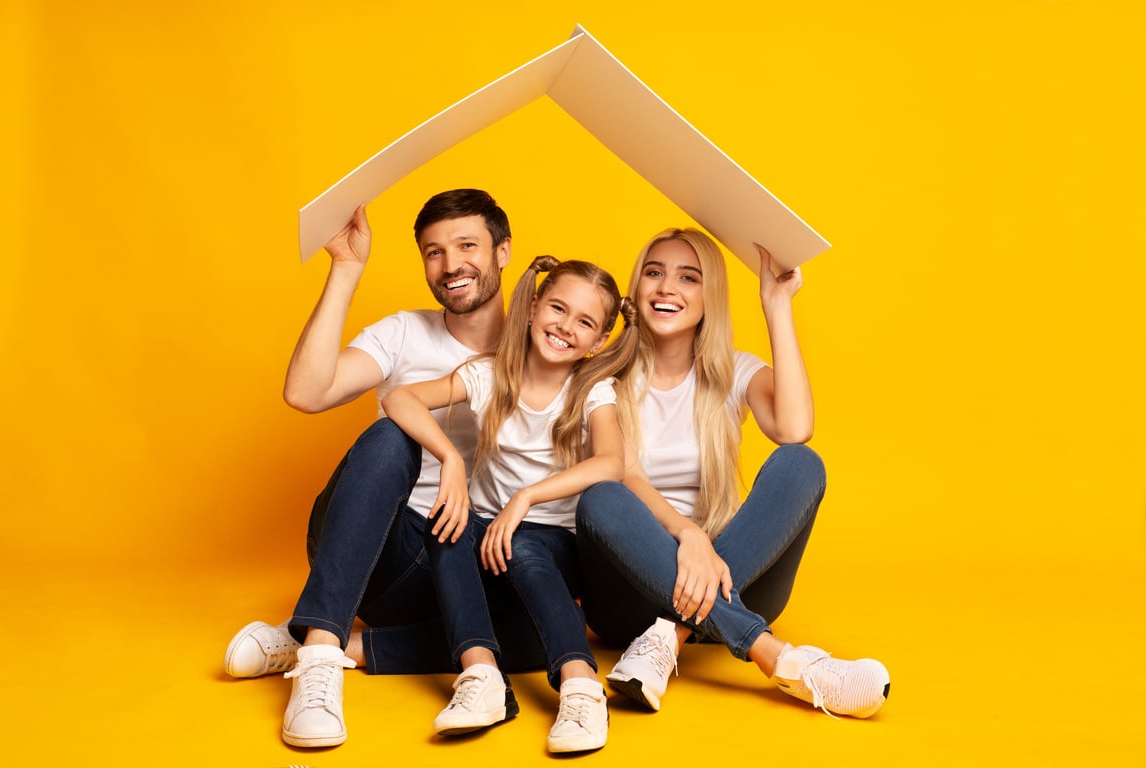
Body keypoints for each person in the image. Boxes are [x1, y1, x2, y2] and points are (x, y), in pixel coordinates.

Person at [224, 189, 547, 748]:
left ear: (503, 251)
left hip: (460, 568)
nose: (451, 265)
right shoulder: (403, 333)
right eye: (433, 252)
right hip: (375, 547)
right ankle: (321, 658)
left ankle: (327, 641)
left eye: (467, 245)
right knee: (393, 435)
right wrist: (347, 268)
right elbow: (305, 391)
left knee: (545, 635)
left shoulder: (549, 344)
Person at [575, 228, 891, 719]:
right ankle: (783, 661)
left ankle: (666, 637)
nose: (666, 288)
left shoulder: (733, 372)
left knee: (800, 463)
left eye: (688, 277)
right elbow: (625, 475)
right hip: (624, 597)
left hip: (730, 576)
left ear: (711, 297)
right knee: (600, 498)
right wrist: (688, 535)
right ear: (635, 289)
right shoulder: (602, 380)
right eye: (654, 273)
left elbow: (796, 427)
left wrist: (777, 304)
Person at [382, 257, 638, 752]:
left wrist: (526, 497)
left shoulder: (592, 390)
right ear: (533, 307)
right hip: (485, 541)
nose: (565, 326)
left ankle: (581, 686)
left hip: (553, 547)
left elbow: (611, 463)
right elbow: (400, 398)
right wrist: (449, 463)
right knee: (446, 525)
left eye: (584, 322)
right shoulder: (488, 375)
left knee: (524, 549)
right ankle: (482, 678)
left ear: (600, 340)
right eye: (557, 309)